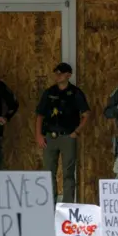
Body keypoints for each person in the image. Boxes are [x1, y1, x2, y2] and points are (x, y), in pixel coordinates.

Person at [35, 63, 90, 202]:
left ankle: (67, 206)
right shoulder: (49, 92)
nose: (57, 76)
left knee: (68, 174)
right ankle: (49, 205)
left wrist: (76, 132)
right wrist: (39, 135)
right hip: (50, 137)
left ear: (68, 75)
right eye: (56, 73)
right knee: (48, 173)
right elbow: (40, 115)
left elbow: (86, 114)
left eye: (60, 73)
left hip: (67, 137)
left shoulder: (76, 93)